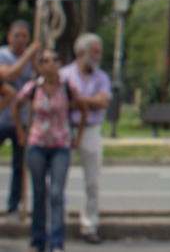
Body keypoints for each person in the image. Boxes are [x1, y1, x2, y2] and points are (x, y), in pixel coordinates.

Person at [13, 49, 87, 252]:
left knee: (56, 193)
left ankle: (56, 241)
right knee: (39, 192)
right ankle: (38, 239)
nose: (50, 64)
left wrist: (77, 136)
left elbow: (83, 107)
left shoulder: (67, 87)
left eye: (55, 60)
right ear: (40, 66)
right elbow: (16, 104)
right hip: (37, 144)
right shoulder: (33, 87)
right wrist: (21, 133)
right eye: (45, 60)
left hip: (60, 145)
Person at [59, 32, 110, 245]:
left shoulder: (101, 77)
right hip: (65, 127)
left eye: (99, 52)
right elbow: (61, 101)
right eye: (94, 51)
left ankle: (89, 223)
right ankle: (58, 220)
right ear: (81, 52)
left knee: (92, 180)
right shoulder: (64, 74)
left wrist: (80, 100)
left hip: (91, 128)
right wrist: (88, 101)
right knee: (59, 177)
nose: (98, 56)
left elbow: (103, 101)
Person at [0, 19, 41, 218]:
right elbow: (10, 75)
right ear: (9, 37)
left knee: (19, 165)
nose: (20, 40)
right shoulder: (3, 55)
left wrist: (35, 60)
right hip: (2, 118)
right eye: (17, 35)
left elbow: (42, 78)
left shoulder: (31, 58)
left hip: (23, 119)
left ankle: (14, 204)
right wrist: (28, 56)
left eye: (24, 36)